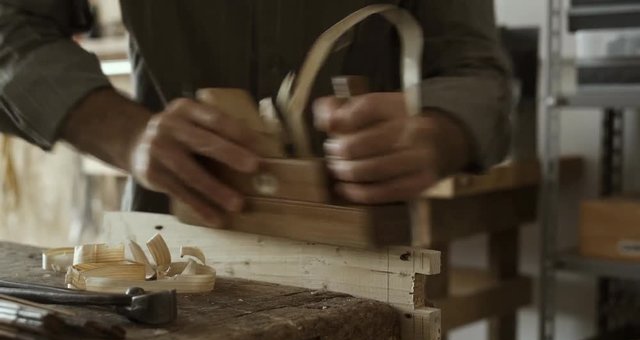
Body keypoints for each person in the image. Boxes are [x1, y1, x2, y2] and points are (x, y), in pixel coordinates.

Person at [0, 0, 511, 227]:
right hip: (175, 243)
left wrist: (440, 132)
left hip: (363, 253)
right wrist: (124, 132)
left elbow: (479, 74)